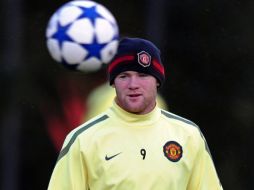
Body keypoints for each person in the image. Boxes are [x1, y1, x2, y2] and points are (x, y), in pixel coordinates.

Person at [48, 37, 223, 190]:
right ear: (113, 82)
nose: (133, 84)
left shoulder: (189, 135)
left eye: (143, 75)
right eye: (124, 76)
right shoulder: (82, 139)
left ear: (158, 81)